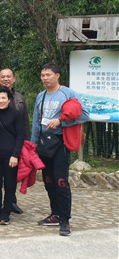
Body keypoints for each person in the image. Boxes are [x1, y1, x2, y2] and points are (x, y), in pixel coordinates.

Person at [31, 63, 89, 237]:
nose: (45, 78)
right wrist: (33, 146)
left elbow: (84, 115)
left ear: (57, 76)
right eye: (42, 75)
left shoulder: (68, 93)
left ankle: (65, 220)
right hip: (44, 144)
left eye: (48, 75)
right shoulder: (40, 96)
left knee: (61, 181)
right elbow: (36, 122)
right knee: (48, 180)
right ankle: (55, 214)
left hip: (60, 143)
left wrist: (60, 121)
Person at [0, 68, 30, 215]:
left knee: (10, 182)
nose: (5, 79)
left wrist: (22, 149)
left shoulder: (19, 100)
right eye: (2, 76)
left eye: (8, 76)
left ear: (14, 79)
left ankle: (9, 207)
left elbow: (24, 127)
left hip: (11, 150)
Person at [0, 86, 24, 225]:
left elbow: (20, 135)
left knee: (9, 185)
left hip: (10, 156)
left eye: (4, 98)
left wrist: (15, 155)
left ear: (9, 99)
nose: (1, 100)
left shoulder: (16, 114)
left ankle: (6, 212)